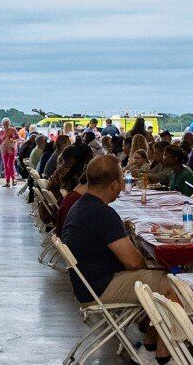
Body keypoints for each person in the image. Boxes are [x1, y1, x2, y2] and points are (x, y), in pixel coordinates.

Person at [59, 154, 172, 362]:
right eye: (121, 181)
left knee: (156, 277)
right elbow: (133, 263)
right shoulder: (102, 213)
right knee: (172, 284)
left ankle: (149, 344)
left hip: (86, 284)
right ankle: (163, 355)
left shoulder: (81, 206)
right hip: (102, 287)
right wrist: (152, 265)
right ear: (113, 184)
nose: (121, 187)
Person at [0, 119, 21, 187]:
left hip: (12, 149)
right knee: (5, 166)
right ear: (2, 124)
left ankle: (13, 179)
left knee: (9, 165)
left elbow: (18, 138)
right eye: (4, 124)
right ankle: (7, 182)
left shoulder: (13, 130)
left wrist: (14, 140)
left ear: (9, 123)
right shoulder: (1, 132)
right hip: (4, 150)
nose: (6, 125)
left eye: (7, 123)